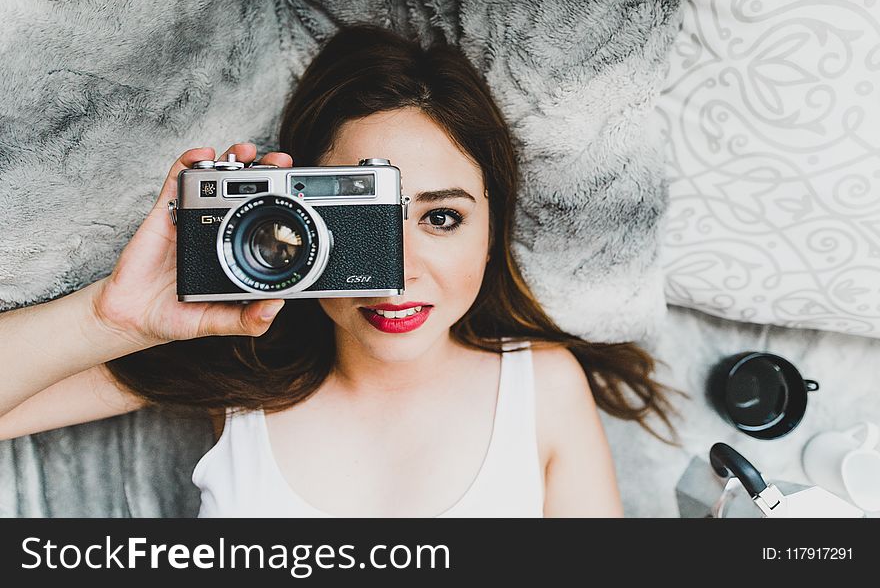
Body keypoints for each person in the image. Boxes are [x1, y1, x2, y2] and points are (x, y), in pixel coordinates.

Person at [0, 25, 680, 517]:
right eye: (362, 225)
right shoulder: (239, 370)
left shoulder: (540, 386)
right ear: (291, 216)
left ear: (492, 229)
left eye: (441, 218)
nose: (395, 274)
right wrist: (108, 319)